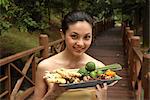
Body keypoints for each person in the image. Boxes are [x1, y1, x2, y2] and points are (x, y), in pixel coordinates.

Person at [34, 11, 107, 100]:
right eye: (74, 36)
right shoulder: (45, 67)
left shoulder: (99, 68)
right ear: (63, 34)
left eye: (86, 37)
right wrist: (53, 94)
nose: (80, 43)